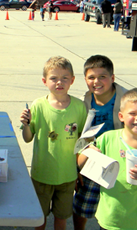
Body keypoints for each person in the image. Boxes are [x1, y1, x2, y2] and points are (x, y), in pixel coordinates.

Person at [78, 88, 137, 230]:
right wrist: (87, 152)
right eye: (132, 113)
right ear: (121, 116)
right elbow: (81, 164)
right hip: (111, 221)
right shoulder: (107, 139)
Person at [20, 56, 87, 230]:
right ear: (44, 81)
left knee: (62, 217)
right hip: (42, 174)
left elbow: (83, 140)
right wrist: (26, 125)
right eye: (54, 78)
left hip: (67, 176)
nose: (59, 82)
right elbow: (27, 138)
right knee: (39, 218)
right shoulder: (38, 106)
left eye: (65, 78)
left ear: (72, 80)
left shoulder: (79, 107)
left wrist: (79, 169)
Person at [72, 55, 127, 230]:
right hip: (92, 159)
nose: (97, 81)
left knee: (115, 206)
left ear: (112, 77)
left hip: (119, 159)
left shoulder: (127, 100)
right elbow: (80, 135)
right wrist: (77, 166)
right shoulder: (85, 101)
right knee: (82, 206)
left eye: (102, 76)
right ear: (85, 80)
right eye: (91, 77)